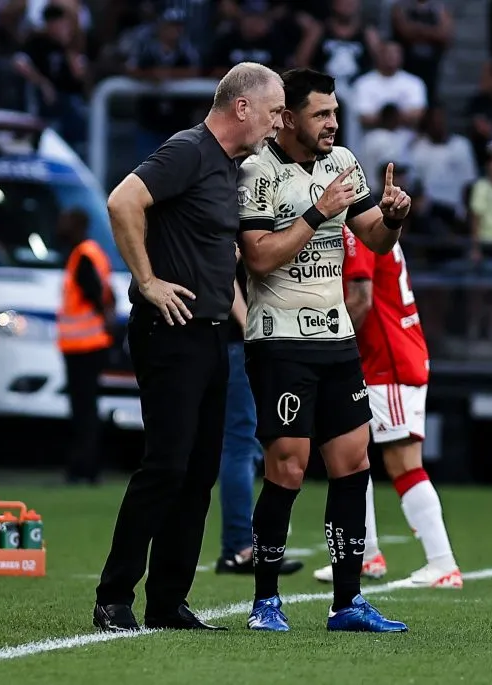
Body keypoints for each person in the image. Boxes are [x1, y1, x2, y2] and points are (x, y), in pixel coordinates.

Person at [93, 62, 286, 632]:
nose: (278, 122)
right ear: (242, 107)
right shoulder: (189, 149)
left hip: (207, 334)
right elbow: (122, 202)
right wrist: (147, 281)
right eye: (274, 110)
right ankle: (113, 596)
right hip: (168, 331)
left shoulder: (229, 166)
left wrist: (245, 321)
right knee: (166, 465)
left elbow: (216, 259)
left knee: (200, 471)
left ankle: (168, 600)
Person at [238, 68, 411, 633]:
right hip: (280, 339)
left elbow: (374, 238)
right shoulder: (258, 170)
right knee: (287, 467)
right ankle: (266, 601)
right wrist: (316, 213)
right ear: (287, 118)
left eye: (335, 112)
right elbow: (258, 259)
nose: (334, 123)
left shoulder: (343, 164)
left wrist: (392, 217)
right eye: (322, 114)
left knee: (353, 461)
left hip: (337, 338)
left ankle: (347, 602)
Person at [310, 226, 463, 588]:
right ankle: (364, 555)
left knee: (403, 463)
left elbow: (360, 299)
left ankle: (442, 564)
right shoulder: (371, 226)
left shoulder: (355, 230)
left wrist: (325, 346)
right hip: (384, 357)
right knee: (350, 452)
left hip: (388, 361)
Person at [215, 254, 304, 576]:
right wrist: (250, 324)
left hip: (240, 342)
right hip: (240, 343)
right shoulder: (241, 211)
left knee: (241, 443)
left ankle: (238, 545)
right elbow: (225, 274)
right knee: (241, 443)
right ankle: (240, 546)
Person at [56, 207, 115, 485]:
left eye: (65, 220)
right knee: (87, 408)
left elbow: (94, 293)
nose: (60, 225)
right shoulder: (91, 252)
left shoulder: (82, 256)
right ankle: (85, 467)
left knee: (84, 410)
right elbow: (108, 294)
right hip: (89, 343)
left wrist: (103, 319)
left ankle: (84, 468)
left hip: (84, 345)